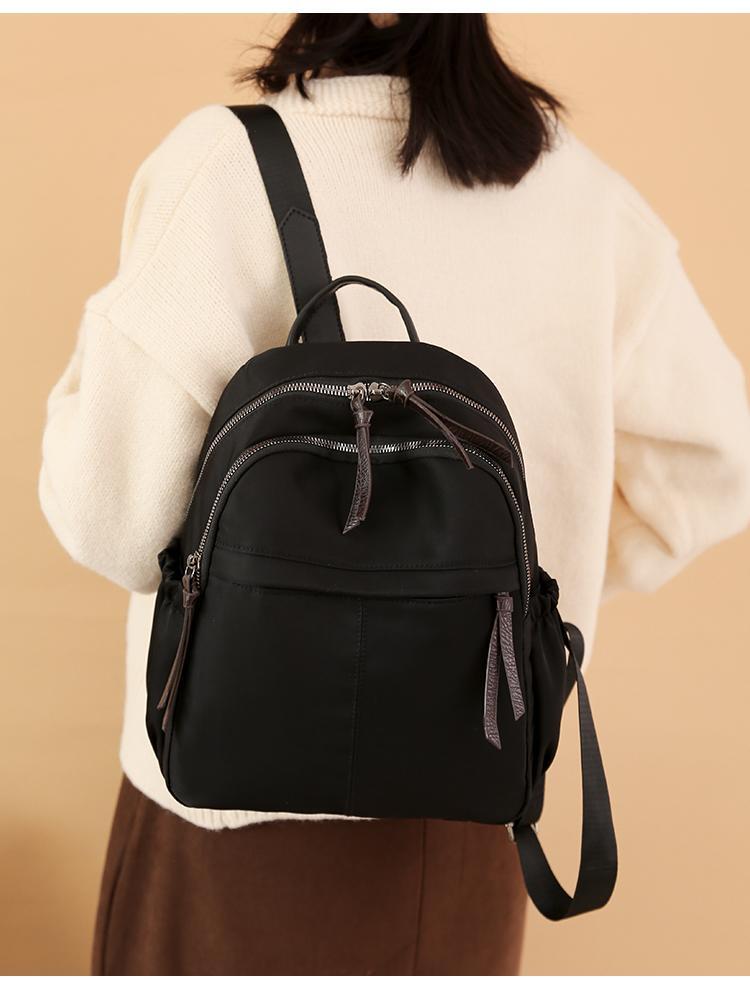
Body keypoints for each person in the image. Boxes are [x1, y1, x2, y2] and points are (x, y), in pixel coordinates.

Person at [38, 13, 750, 977]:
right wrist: (510, 597)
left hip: (233, 823)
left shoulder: (223, 167)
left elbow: (111, 522)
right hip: (474, 800)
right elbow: (716, 464)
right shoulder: (583, 195)